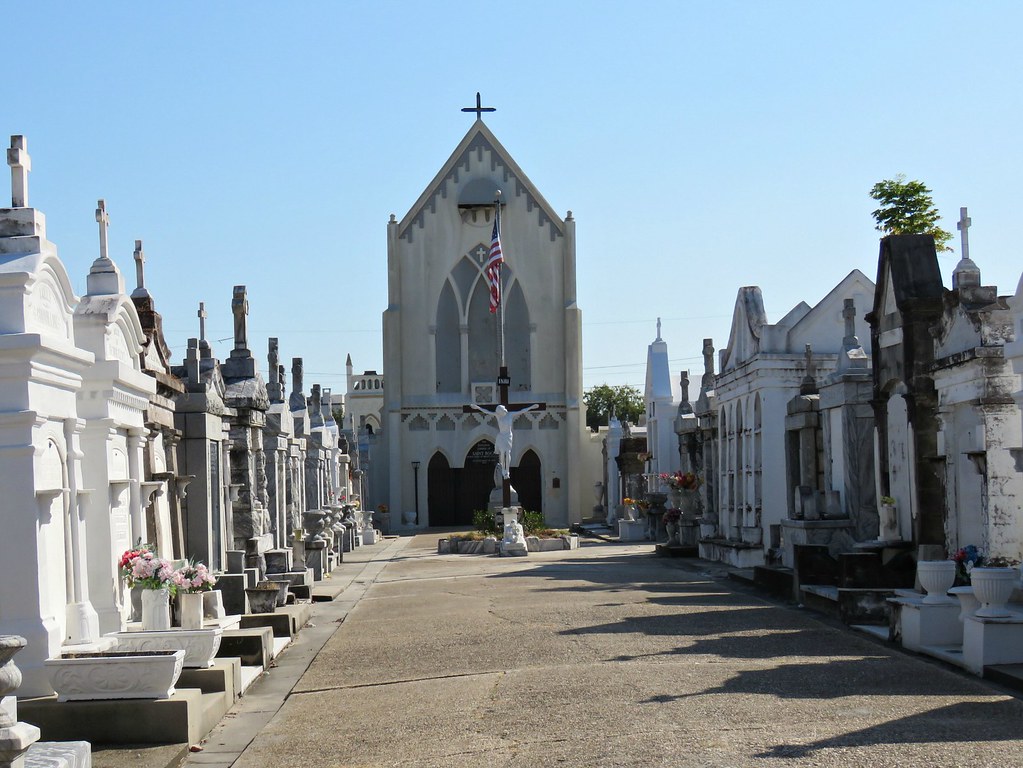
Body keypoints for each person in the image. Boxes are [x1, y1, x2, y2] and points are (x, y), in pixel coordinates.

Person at [470, 403, 540, 478]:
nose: (500, 413)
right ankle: (503, 469)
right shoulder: (498, 416)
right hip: (501, 436)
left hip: (508, 436)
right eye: (499, 412)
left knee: (507, 452)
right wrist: (477, 407)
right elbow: (486, 411)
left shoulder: (510, 415)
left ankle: (507, 470)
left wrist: (532, 407)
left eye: (501, 411)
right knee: (502, 453)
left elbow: (522, 411)